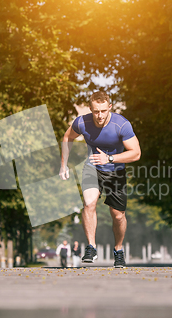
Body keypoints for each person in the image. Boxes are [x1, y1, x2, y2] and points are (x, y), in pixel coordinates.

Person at [60, 91, 141, 268]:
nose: (100, 115)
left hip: (116, 171)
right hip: (92, 167)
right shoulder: (82, 122)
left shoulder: (121, 125)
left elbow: (136, 153)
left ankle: (118, 250)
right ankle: (91, 247)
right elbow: (67, 138)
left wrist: (110, 159)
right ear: (90, 109)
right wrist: (63, 164)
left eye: (103, 111)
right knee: (89, 204)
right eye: (96, 111)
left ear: (109, 107)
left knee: (118, 216)